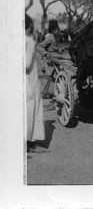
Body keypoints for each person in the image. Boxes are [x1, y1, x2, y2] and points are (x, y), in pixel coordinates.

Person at [25, 15, 46, 153]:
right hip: (29, 81)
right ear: (30, 26)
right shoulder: (30, 41)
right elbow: (26, 65)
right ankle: (29, 141)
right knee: (31, 108)